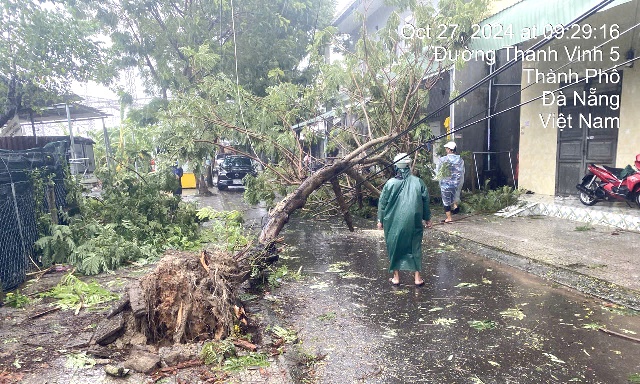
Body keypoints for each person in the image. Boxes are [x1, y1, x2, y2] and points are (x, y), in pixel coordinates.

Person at [377, 153, 432, 287]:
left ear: (396, 166)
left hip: (392, 222)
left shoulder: (390, 183)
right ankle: (417, 279)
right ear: (408, 165)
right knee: (415, 247)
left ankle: (396, 278)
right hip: (413, 222)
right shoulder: (418, 182)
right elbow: (425, 201)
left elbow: (382, 203)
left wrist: (380, 220)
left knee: (394, 246)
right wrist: (427, 218)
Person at [436, 141, 464, 223]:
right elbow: (462, 172)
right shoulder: (460, 160)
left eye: (446, 149)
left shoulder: (443, 160)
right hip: (456, 183)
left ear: (449, 150)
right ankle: (455, 207)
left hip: (446, 184)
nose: (445, 150)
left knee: (446, 201)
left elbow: (438, 171)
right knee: (453, 196)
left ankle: (449, 218)